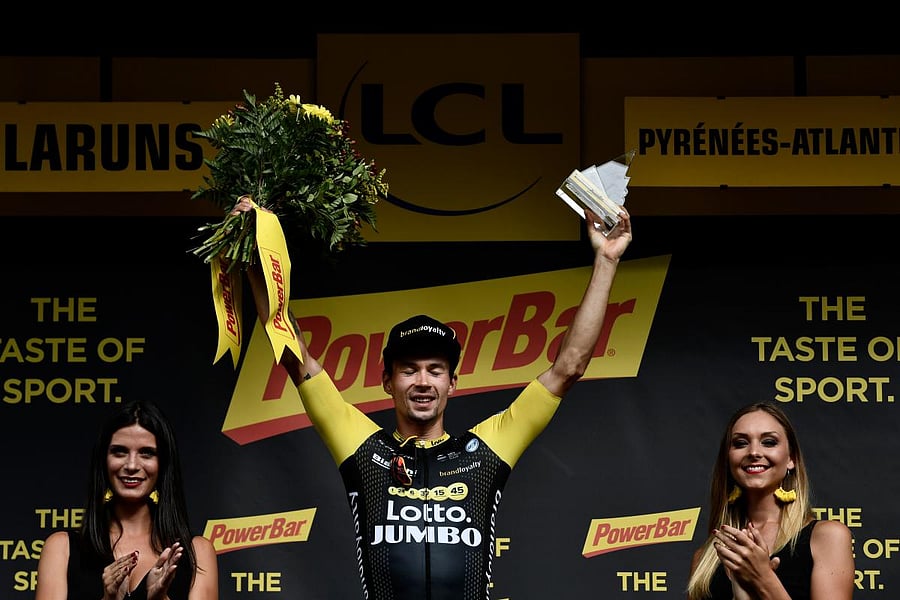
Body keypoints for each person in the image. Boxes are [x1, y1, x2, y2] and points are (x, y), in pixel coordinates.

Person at [241, 199, 632, 600]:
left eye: (435, 369)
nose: (423, 381)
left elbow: (569, 367)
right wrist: (254, 255)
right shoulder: (362, 447)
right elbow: (294, 355)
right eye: (409, 370)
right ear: (387, 382)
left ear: (453, 383)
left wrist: (606, 260)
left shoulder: (485, 451)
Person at [35, 400, 219, 600]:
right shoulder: (61, 548)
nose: (131, 465)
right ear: (104, 460)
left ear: (163, 464)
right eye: (119, 451)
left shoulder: (197, 553)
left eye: (146, 453)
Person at [687, 402, 854, 600]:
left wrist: (763, 578)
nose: (754, 452)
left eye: (769, 442)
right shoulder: (704, 559)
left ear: (791, 458)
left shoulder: (827, 538)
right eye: (740, 443)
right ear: (728, 459)